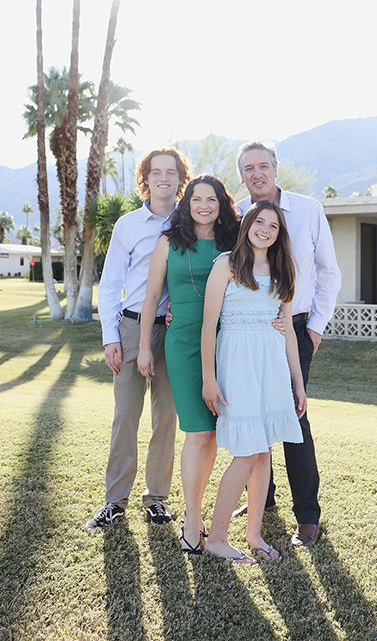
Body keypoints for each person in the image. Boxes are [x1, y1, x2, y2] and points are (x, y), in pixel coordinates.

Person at [232, 140, 341, 549]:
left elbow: (329, 273)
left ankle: (308, 517)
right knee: (253, 413)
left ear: (276, 169)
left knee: (294, 417)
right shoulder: (237, 214)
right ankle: (264, 498)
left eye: (263, 166)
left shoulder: (309, 209)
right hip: (246, 332)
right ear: (241, 175)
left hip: (295, 329)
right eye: (248, 168)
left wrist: (314, 328)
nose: (256, 174)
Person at [86, 147, 191, 531]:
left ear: (181, 178)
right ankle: (115, 501)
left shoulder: (190, 221)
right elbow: (110, 285)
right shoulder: (128, 225)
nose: (164, 178)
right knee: (126, 416)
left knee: (167, 418)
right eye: (156, 171)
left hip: (175, 332)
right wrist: (110, 337)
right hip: (130, 330)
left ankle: (157, 500)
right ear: (144, 178)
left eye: (172, 171)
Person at [136, 174, 241, 554]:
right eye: (196, 199)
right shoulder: (169, 242)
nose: (203, 205)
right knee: (197, 431)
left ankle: (203, 514)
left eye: (211, 199)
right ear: (187, 203)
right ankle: (192, 519)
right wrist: (146, 347)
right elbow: (151, 297)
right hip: (182, 345)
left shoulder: (235, 241)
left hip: (228, 344)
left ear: (221, 204)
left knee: (213, 433)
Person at [200, 200, 307, 564]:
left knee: (263, 453)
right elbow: (208, 324)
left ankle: (255, 535)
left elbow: (289, 330)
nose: (265, 229)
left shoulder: (282, 269)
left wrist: (298, 383)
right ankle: (216, 538)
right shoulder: (227, 264)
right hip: (238, 365)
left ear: (280, 234)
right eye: (259, 221)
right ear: (247, 224)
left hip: (271, 366)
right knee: (247, 453)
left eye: (273, 226)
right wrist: (209, 379)